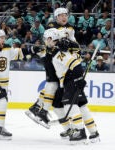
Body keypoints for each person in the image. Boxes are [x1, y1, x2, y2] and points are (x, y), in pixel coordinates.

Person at [25, 7, 100, 143]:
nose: (64, 17)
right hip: (69, 78)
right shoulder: (53, 36)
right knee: (77, 105)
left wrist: (78, 78)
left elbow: (74, 55)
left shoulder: (60, 52)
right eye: (60, 15)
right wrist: (33, 49)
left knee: (67, 103)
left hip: (69, 80)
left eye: (66, 14)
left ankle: (77, 130)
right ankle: (92, 132)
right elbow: (46, 51)